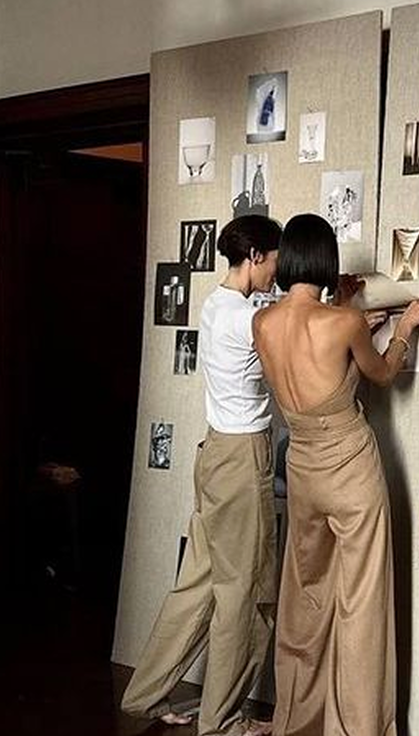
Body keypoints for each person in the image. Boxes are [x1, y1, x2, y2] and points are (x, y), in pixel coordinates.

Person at [253, 214, 419, 736]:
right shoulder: (344, 323)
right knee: (362, 603)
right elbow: (383, 375)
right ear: (327, 261)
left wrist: (345, 312)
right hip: (350, 469)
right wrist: (401, 329)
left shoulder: (262, 324)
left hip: (302, 468)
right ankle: (355, 726)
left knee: (306, 596)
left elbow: (310, 372)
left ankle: (299, 718)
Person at [119, 215, 286, 736]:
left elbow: (272, 313)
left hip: (212, 454)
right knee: (248, 594)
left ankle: (143, 694)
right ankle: (221, 721)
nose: (277, 272)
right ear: (256, 256)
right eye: (275, 260)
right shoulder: (249, 320)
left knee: (197, 585)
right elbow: (294, 336)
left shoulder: (217, 306)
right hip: (241, 459)